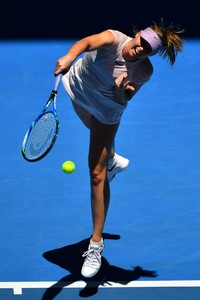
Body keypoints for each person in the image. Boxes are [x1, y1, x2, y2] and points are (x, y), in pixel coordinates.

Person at [54, 19, 184, 278]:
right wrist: (69, 56)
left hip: (106, 109)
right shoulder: (113, 39)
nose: (141, 49)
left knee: (96, 174)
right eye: (141, 43)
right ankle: (112, 158)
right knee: (98, 147)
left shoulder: (143, 71)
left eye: (148, 49)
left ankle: (95, 244)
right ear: (137, 35)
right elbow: (86, 42)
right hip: (77, 88)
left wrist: (121, 90)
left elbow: (125, 100)